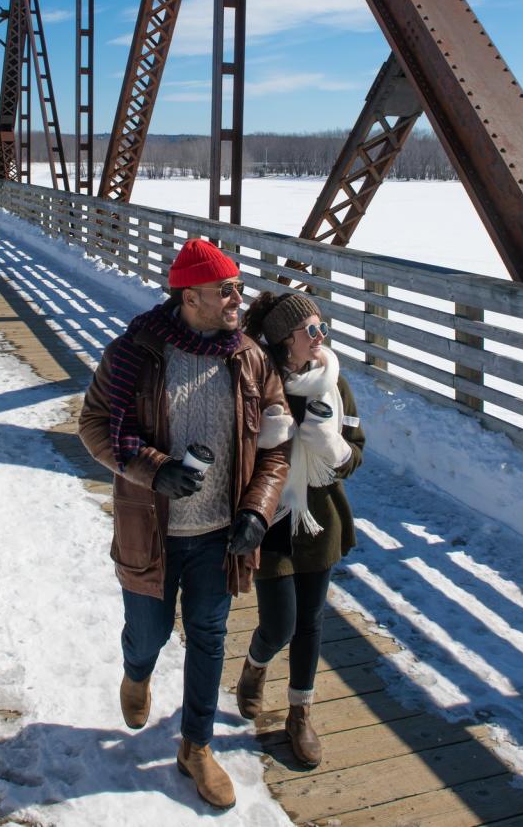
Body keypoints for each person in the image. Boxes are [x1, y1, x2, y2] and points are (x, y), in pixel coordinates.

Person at [79, 239, 290, 809]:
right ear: (189, 296)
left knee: (209, 636)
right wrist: (155, 470)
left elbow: (277, 443)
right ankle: (136, 672)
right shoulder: (135, 353)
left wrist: (257, 510)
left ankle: (196, 746)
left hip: (219, 536)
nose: (237, 301)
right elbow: (95, 426)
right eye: (226, 291)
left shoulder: (249, 357)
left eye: (238, 290)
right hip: (153, 532)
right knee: (147, 634)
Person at [236, 291, 365, 768]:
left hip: (320, 518)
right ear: (283, 340)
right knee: (280, 624)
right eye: (310, 330)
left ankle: (300, 713)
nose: (320, 338)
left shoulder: (335, 385)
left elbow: (356, 453)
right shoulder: (257, 384)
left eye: (322, 327)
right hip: (273, 520)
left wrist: (331, 447)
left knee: (311, 622)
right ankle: (254, 664)